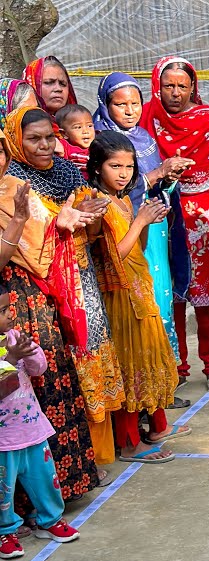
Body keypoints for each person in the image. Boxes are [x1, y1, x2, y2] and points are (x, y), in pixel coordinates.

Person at [8, 107, 125, 464]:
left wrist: (92, 215)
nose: (44, 145)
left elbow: (87, 234)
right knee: (65, 362)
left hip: (82, 275)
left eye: (49, 137)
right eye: (33, 139)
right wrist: (62, 222)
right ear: (16, 141)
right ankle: (74, 460)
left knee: (93, 350)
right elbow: (28, 241)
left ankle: (102, 452)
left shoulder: (66, 171)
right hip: (44, 285)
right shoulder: (15, 182)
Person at [140, 56, 209, 396]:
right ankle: (177, 365)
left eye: (182, 86)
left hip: (204, 215)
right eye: (168, 85)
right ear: (157, 85)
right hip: (161, 213)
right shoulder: (145, 118)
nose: (175, 93)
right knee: (170, 292)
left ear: (193, 88)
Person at [82, 130, 188, 461]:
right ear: (98, 167)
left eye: (129, 166)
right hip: (118, 294)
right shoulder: (96, 203)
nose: (124, 173)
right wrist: (141, 221)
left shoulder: (124, 199)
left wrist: (148, 220)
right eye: (115, 166)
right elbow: (112, 256)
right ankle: (129, 442)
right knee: (129, 362)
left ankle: (156, 427)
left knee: (148, 355)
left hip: (139, 287)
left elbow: (137, 249)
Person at [95, 72, 193, 366]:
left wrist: (168, 178)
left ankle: (165, 372)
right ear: (105, 105)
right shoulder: (103, 141)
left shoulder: (144, 137)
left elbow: (151, 185)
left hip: (155, 224)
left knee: (161, 296)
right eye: (120, 104)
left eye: (136, 103)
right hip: (128, 228)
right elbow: (117, 188)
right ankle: (146, 373)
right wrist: (156, 174)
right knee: (141, 300)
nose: (130, 111)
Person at [0, 305, 82, 560]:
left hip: (32, 428)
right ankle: (6, 530)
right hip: (4, 439)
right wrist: (11, 359)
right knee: (3, 489)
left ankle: (49, 520)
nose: (10, 314)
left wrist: (31, 352)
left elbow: (39, 370)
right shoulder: (9, 348)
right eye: (2, 311)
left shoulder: (14, 337)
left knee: (45, 480)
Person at [53, 103, 94, 173]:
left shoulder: (98, 146)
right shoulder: (64, 147)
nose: (86, 131)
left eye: (89, 126)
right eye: (78, 127)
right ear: (64, 133)